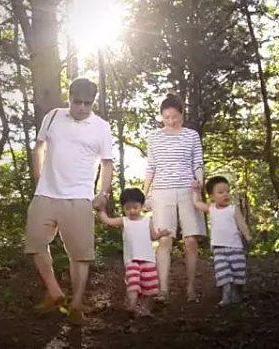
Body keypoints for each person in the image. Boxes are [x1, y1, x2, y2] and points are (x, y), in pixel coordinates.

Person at [25, 78, 113, 325]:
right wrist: (38, 175)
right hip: (46, 193)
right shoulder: (53, 116)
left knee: (80, 255)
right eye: (77, 102)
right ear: (69, 98)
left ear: (93, 102)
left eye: (87, 103)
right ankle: (54, 292)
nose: (82, 108)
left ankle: (76, 305)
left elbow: (107, 163)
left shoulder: (101, 127)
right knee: (35, 243)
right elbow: (38, 147)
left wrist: (103, 193)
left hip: (79, 197)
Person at [142, 93, 206, 303]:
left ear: (181, 115)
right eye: (166, 117)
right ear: (161, 116)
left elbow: (198, 162)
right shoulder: (153, 137)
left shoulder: (191, 135)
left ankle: (190, 289)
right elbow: (151, 167)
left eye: (174, 117)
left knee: (191, 240)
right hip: (161, 192)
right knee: (164, 239)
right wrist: (144, 194)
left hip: (188, 190)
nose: (171, 121)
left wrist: (200, 181)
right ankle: (163, 290)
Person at [97, 188, 170, 318]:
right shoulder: (124, 221)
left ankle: (145, 309)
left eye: (135, 207)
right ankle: (131, 306)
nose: (132, 211)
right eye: (128, 208)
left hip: (148, 259)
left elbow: (153, 237)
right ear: (124, 208)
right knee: (133, 283)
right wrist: (101, 210)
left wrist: (161, 234)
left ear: (141, 206)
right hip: (132, 259)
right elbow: (108, 220)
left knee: (150, 286)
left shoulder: (148, 221)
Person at [192, 176, 252, 307]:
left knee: (238, 271)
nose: (225, 195)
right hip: (219, 248)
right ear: (212, 196)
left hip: (235, 247)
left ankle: (238, 293)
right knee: (223, 272)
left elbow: (241, 223)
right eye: (220, 192)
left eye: (227, 191)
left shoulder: (233, 209)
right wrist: (196, 190)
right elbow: (197, 204)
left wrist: (247, 235)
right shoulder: (211, 208)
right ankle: (226, 296)